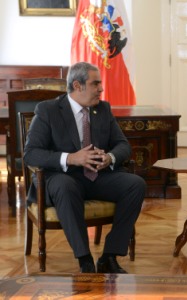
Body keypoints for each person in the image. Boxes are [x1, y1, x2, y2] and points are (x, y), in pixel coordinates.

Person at [23, 62, 146, 273]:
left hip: (97, 176)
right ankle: (85, 260)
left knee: (135, 184)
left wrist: (110, 157)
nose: (101, 89)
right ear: (78, 85)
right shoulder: (48, 110)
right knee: (65, 186)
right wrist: (71, 158)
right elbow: (31, 153)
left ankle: (109, 256)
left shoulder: (102, 109)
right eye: (95, 83)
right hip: (61, 177)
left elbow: (123, 145)